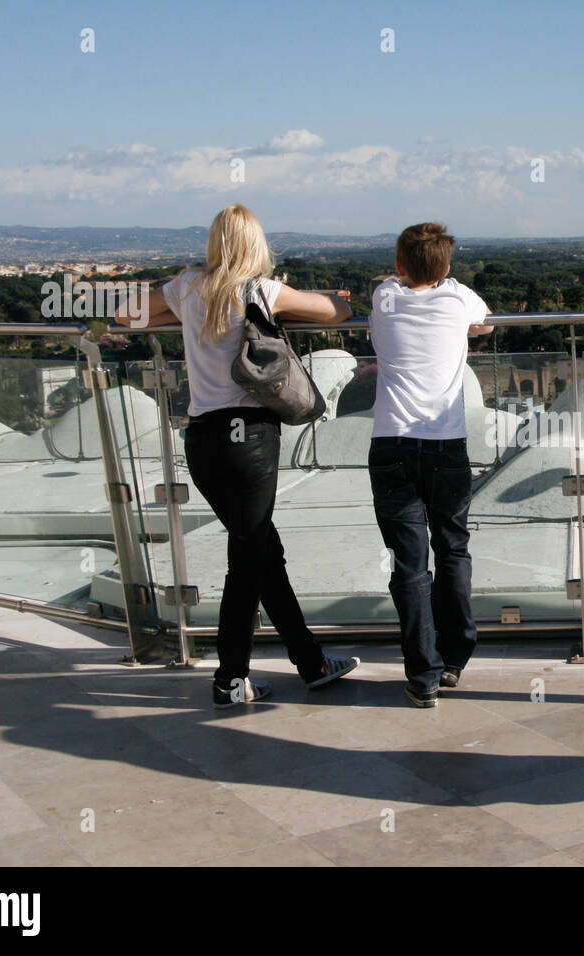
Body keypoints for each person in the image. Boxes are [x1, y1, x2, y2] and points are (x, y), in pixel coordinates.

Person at [120, 203, 359, 709]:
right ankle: (230, 680)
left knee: (261, 554)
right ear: (255, 245)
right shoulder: (259, 291)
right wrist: (313, 298)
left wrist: (179, 299)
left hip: (202, 439)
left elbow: (125, 312)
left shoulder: (187, 287)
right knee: (248, 561)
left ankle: (311, 662)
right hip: (248, 438)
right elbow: (338, 312)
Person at [368, 222, 493, 708]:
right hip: (445, 446)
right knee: (453, 549)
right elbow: (488, 320)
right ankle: (456, 656)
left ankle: (423, 676)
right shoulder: (460, 299)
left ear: (398, 266)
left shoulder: (383, 297)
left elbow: (396, 283)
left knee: (410, 565)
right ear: (447, 268)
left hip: (392, 444)